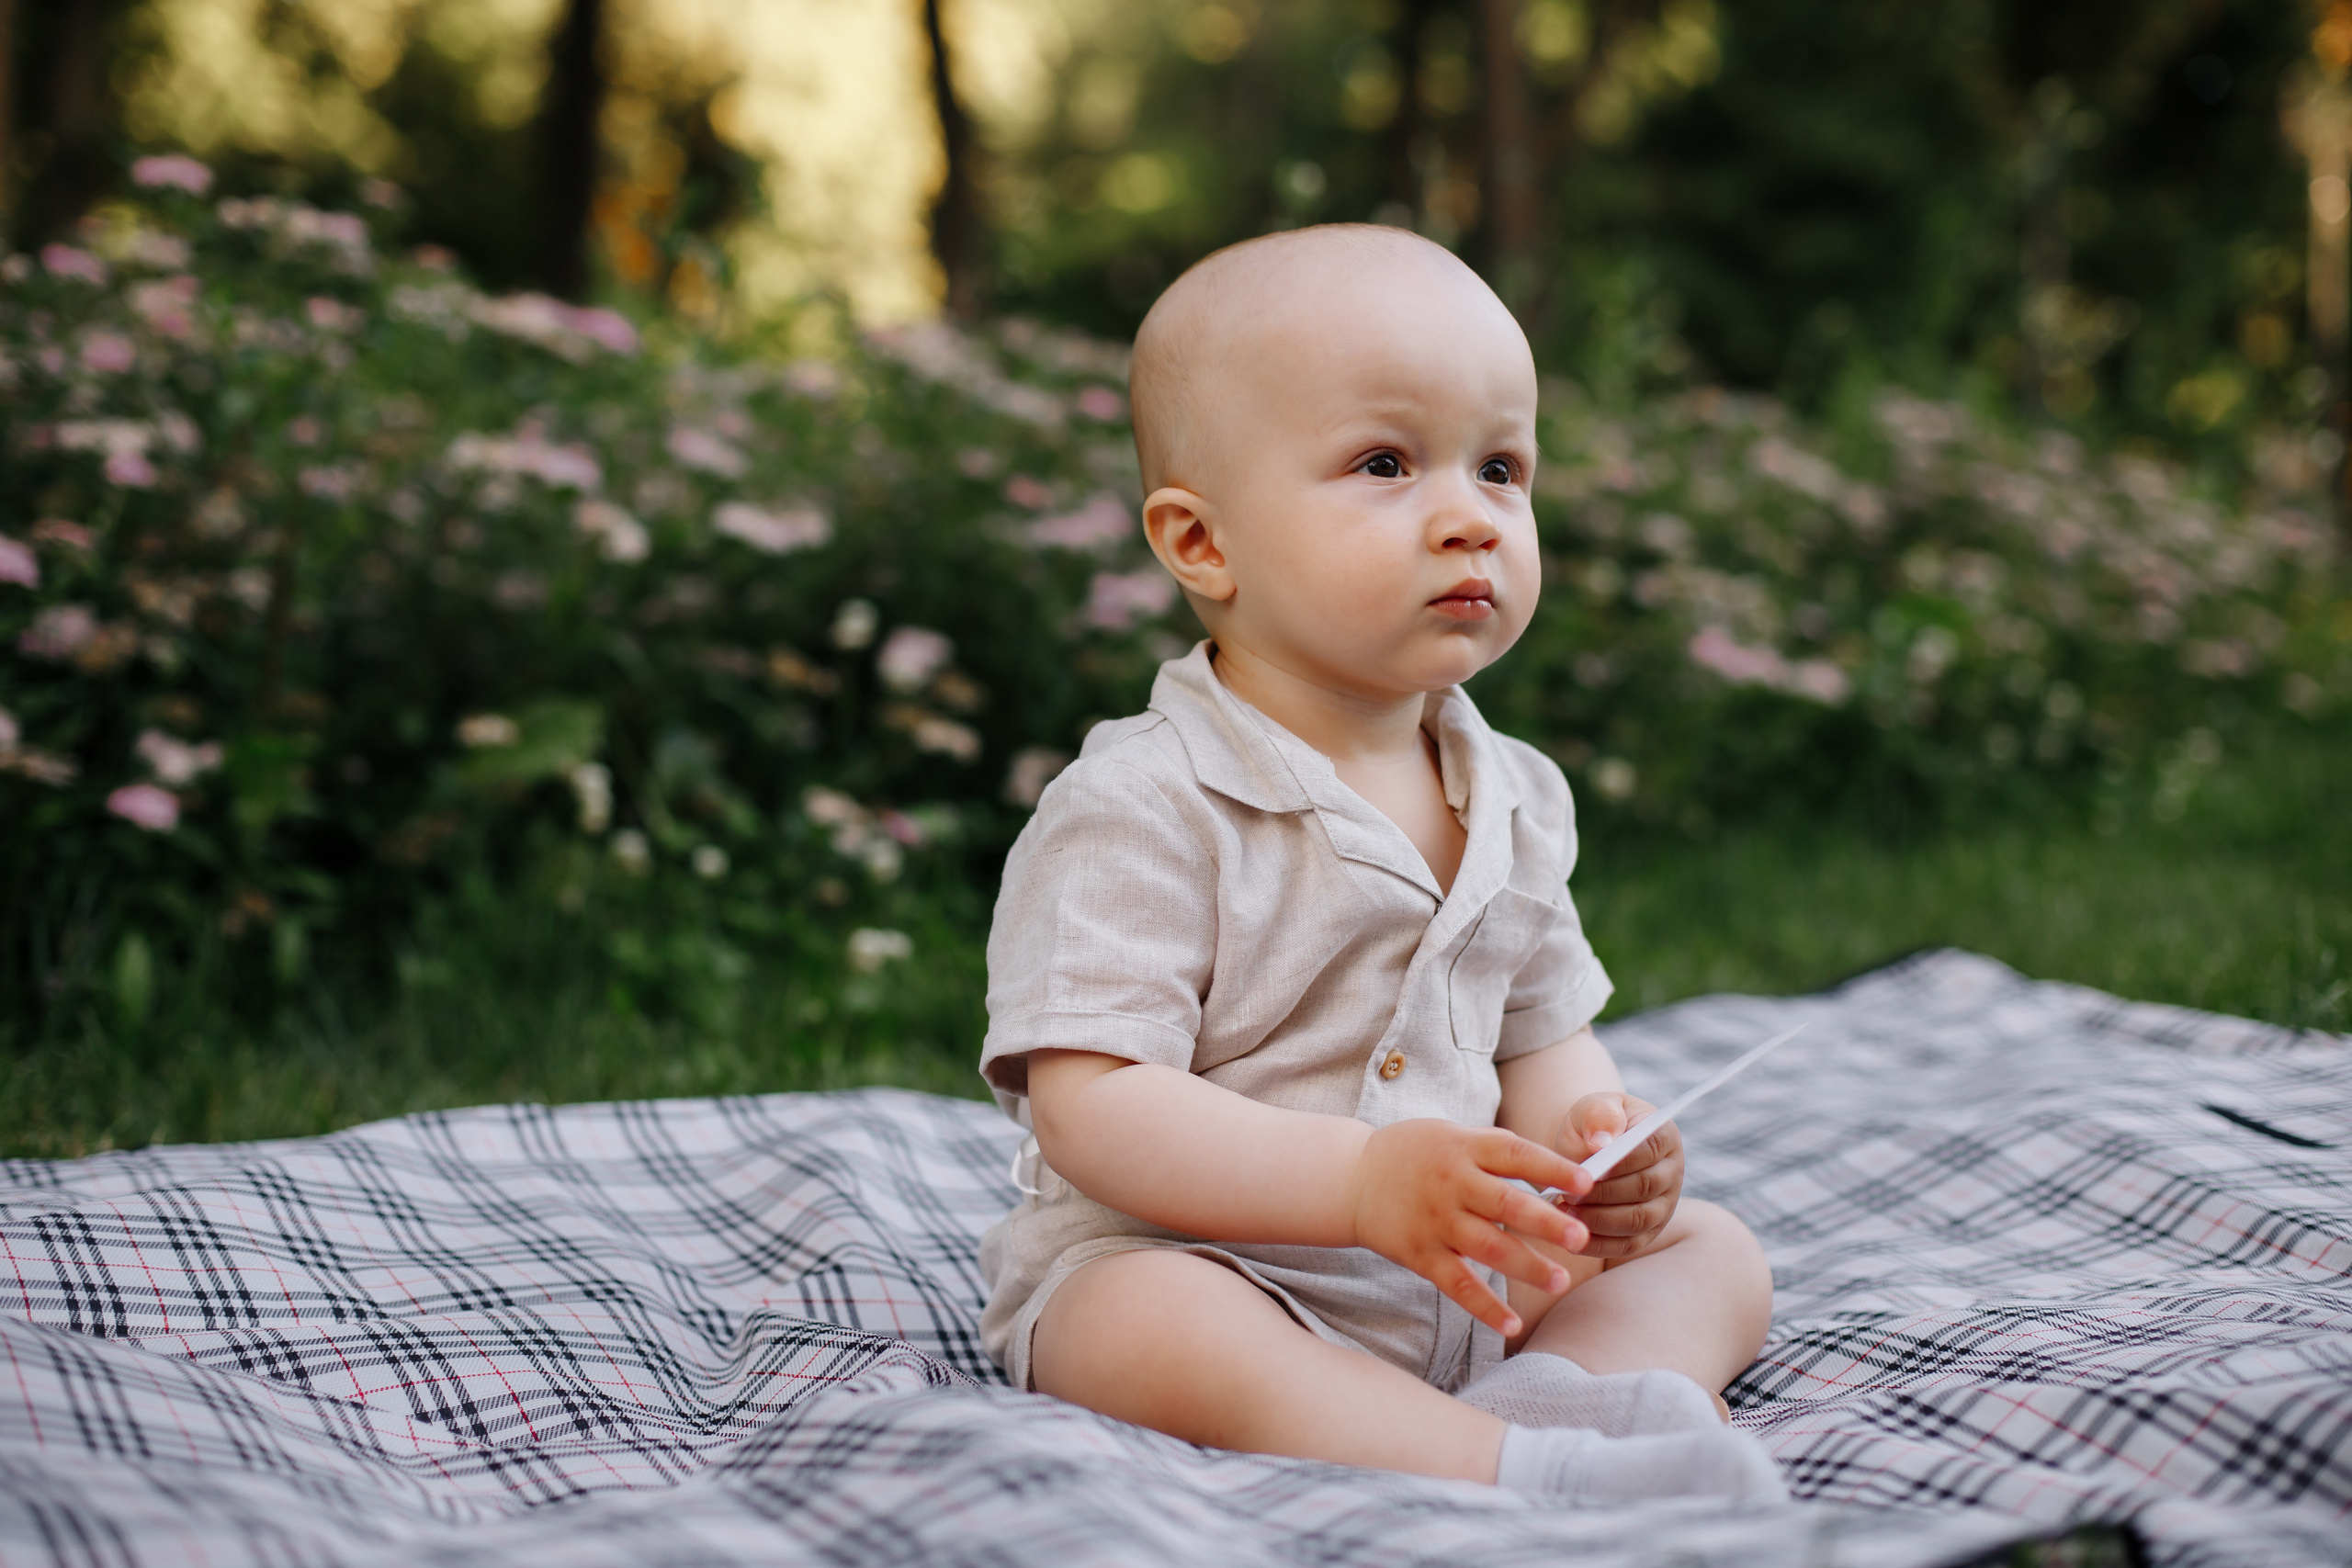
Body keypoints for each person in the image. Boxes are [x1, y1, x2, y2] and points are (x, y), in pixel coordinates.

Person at [975, 224, 1784, 1505]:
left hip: (1462, 1279)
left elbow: (1540, 1035)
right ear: (1202, 544)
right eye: (1386, 464)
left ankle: (1556, 1399)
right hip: (1224, 1268)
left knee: (1715, 1252)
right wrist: (1358, 1184)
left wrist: (1593, 1145)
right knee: (1137, 1323)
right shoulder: (1141, 804)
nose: (1470, 519)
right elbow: (1093, 1106)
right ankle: (1509, 1468)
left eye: (1501, 468)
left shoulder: (1517, 795)